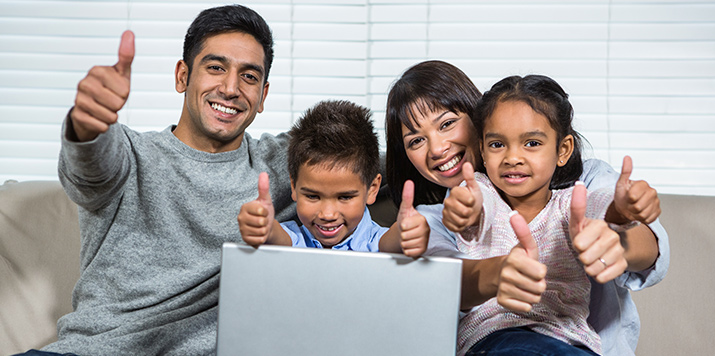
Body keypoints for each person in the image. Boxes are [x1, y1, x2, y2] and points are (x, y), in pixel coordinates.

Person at [20, 5, 296, 356]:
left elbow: (374, 162)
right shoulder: (130, 153)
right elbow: (90, 167)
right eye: (215, 68)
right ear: (182, 76)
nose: (230, 88)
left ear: (263, 96)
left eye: (249, 77)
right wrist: (87, 123)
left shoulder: (289, 166)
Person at [384, 60, 670, 355]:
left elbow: (603, 208)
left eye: (447, 124)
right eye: (416, 140)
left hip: (578, 346)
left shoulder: (581, 187)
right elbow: (473, 212)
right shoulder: (457, 204)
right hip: (496, 343)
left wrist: (619, 218)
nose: (437, 148)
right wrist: (468, 212)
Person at [238, 100, 429, 256]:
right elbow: (278, 237)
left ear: (372, 189)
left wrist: (405, 233)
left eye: (345, 197)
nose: (327, 215)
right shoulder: (293, 238)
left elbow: (390, 243)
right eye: (313, 196)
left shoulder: (376, 241)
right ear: (294, 186)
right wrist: (265, 226)